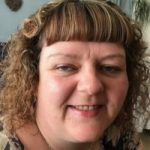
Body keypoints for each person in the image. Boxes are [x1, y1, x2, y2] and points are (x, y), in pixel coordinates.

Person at [0, 0, 149, 149]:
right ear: (33, 78)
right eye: (65, 67)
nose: (92, 87)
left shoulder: (123, 137)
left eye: (110, 68)